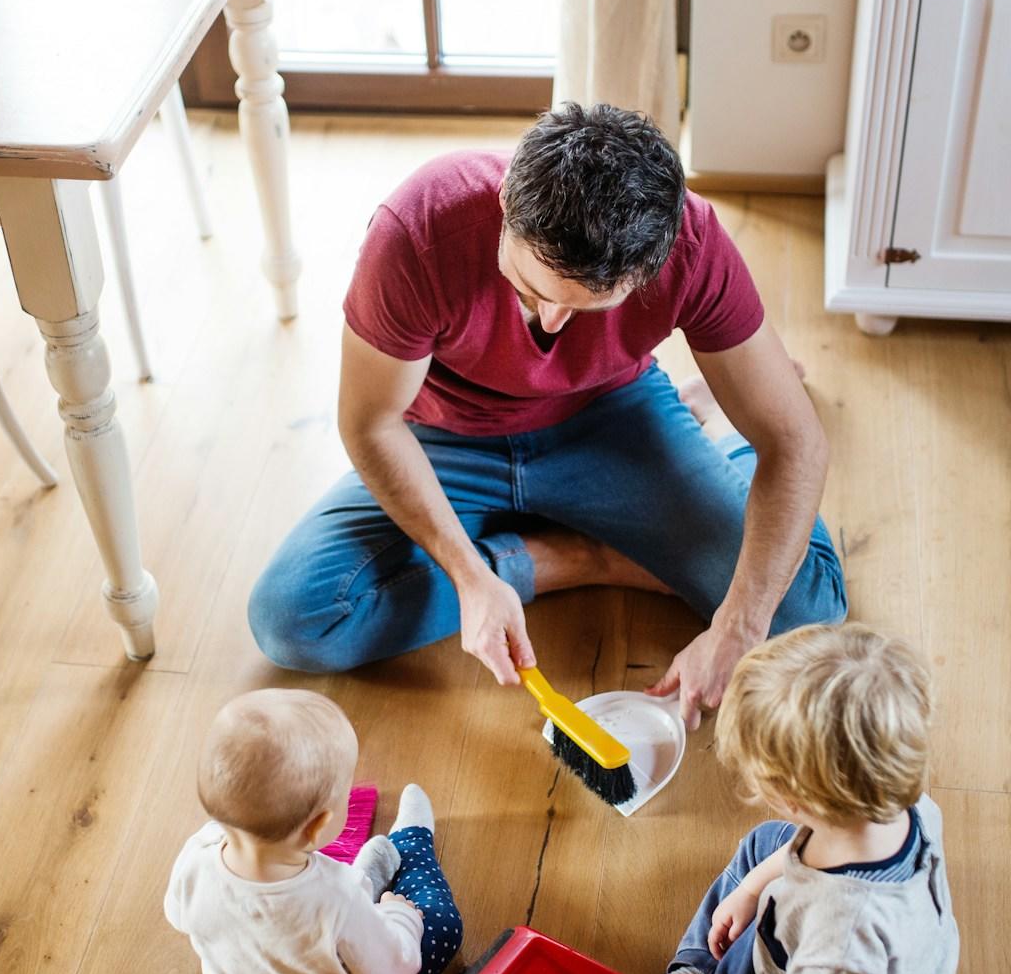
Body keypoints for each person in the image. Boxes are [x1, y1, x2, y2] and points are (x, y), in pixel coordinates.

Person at [247, 103, 844, 725]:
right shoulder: (419, 226)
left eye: (587, 308)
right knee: (293, 620)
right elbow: (370, 422)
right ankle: (584, 557)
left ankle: (718, 427)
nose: (553, 325)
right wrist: (471, 577)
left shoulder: (690, 241)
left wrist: (736, 628)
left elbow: (794, 441)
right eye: (529, 292)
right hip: (447, 438)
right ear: (506, 199)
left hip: (611, 418)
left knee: (805, 609)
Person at [581, 623, 959, 974]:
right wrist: (752, 888)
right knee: (766, 844)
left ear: (801, 800)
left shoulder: (841, 934)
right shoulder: (902, 805)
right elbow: (806, 845)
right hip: (827, 966)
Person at [164, 689, 461, 974]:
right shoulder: (336, 897)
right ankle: (412, 842)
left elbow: (178, 915)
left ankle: (368, 884)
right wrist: (399, 915)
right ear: (319, 825)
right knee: (442, 924)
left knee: (343, 917)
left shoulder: (197, 856)